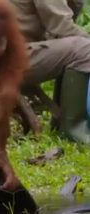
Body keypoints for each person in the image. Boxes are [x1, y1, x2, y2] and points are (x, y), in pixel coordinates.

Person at [9, 0, 90, 143]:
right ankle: (74, 131)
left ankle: (62, 122)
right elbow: (63, 28)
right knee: (84, 49)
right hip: (5, 59)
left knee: (75, 48)